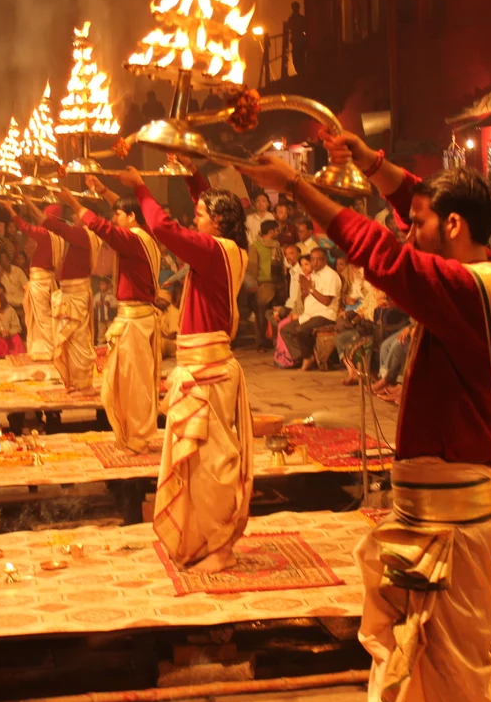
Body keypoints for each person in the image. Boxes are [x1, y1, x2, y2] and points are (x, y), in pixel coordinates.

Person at [238, 132, 491, 702]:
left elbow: (383, 256)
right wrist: (372, 164)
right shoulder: (484, 275)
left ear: (453, 226)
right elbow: (417, 209)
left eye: (417, 223)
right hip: (439, 519)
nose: (406, 228)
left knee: (452, 683)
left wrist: (296, 186)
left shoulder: (469, 290)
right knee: (426, 675)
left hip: (452, 530)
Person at [118, 162, 251, 574]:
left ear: (220, 222)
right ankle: (204, 541)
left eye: (202, 214)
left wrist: (143, 187)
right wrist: (190, 171)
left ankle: (222, 547)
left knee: (211, 466)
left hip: (207, 373)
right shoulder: (226, 247)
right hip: (200, 367)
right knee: (195, 465)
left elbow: (165, 228)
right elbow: (202, 202)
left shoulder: (214, 251)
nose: (197, 216)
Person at [58, 180, 163, 453]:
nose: (114, 219)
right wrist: (103, 190)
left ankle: (136, 438)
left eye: (118, 215)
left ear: (131, 218)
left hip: (135, 323)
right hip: (135, 320)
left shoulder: (132, 239)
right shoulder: (145, 234)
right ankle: (132, 436)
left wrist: (72, 201)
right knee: (123, 382)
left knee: (130, 385)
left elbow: (102, 228)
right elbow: (127, 210)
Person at [28, 200, 103, 392]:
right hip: (72, 292)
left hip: (75, 294)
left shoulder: (84, 235)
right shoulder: (85, 235)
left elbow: (55, 226)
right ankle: (76, 381)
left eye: (76, 214)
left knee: (77, 339)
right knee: (73, 339)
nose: (72, 217)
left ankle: (82, 382)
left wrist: (29, 204)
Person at [3, 201, 66, 360]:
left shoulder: (47, 234)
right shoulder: (60, 236)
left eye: (44, 215)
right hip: (47, 281)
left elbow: (25, 227)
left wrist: (11, 209)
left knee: (42, 318)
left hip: (41, 282)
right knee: (43, 316)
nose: (41, 218)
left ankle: (48, 351)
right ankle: (44, 350)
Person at [280, 248, 342, 369]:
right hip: (310, 314)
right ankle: (306, 356)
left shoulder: (331, 275)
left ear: (324, 260)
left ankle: (307, 358)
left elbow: (326, 301)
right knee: (286, 329)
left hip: (325, 314)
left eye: (317, 260)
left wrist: (310, 288)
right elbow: (307, 297)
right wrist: (304, 293)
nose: (314, 263)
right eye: (312, 259)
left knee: (301, 330)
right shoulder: (314, 274)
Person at [246, 219, 284, 351]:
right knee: (261, 316)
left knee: (276, 315)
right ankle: (261, 343)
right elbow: (252, 268)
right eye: (277, 229)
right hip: (262, 285)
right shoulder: (255, 246)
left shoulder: (277, 245)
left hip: (277, 283)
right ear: (271, 231)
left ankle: (275, 341)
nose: (278, 232)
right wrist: (254, 286)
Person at [0, 290, 25, 357]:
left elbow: (17, 327)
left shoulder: (11, 311)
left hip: (10, 336)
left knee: (17, 338)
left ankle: (18, 359)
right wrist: (0, 332)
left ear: (1, 301)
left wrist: (9, 332)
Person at [0, 250, 29, 323]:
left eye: (6, 259)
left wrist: (26, 300)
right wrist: (0, 275)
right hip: (8, 303)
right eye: (2, 261)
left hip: (20, 300)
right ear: (0, 263)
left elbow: (27, 287)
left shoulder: (18, 270)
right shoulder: (0, 275)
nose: (5, 262)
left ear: (9, 259)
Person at [93, 278, 118, 344]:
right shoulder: (97, 295)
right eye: (100, 284)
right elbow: (93, 304)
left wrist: (109, 304)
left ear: (107, 285)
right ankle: (100, 344)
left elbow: (116, 304)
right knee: (101, 334)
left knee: (111, 332)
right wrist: (96, 304)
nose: (101, 286)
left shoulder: (111, 295)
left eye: (103, 284)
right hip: (100, 318)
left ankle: (112, 345)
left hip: (109, 318)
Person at [285, 1, 307, 74]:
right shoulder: (301, 18)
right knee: (300, 57)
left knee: (298, 57)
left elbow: (288, 27)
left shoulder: (292, 19)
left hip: (297, 41)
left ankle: (300, 72)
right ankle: (301, 71)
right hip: (300, 40)